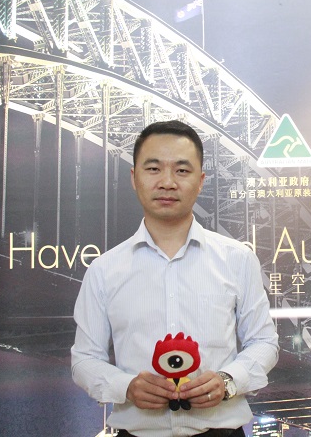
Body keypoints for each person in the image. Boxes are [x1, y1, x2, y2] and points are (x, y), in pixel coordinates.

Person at [71, 120, 279, 437]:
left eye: (182, 170)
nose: (167, 182)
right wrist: (126, 387)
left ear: (201, 181)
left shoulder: (237, 259)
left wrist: (228, 381)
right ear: (134, 178)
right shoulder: (104, 270)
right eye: (153, 169)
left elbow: (264, 342)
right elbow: (84, 359)